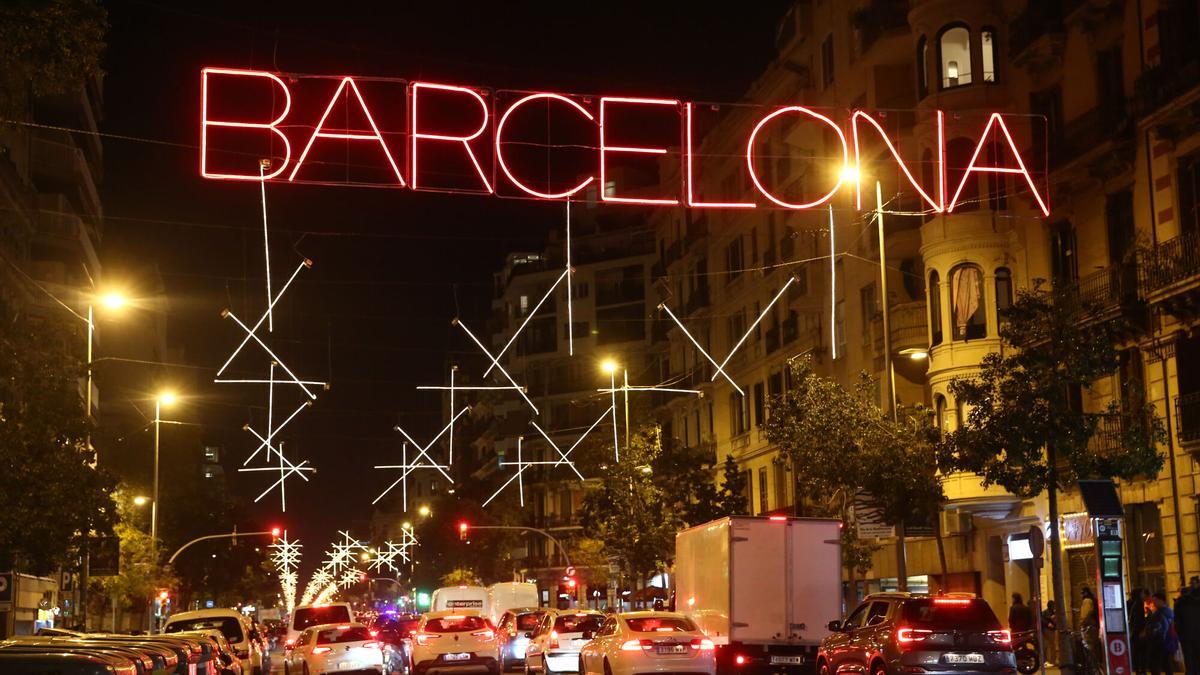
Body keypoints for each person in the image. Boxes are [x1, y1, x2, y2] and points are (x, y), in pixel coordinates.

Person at [1147, 591, 1177, 675]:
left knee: (1155, 665)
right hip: (1169, 640)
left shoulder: (1159, 613)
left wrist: (1148, 632)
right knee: (1167, 664)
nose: (1153, 602)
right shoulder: (1170, 611)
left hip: (1159, 641)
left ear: (1161, 600)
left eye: (1155, 600)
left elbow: (1156, 628)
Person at [1175, 582, 1200, 675]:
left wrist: (1179, 633)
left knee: (1188, 656)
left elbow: (1177, 621)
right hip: (1198, 634)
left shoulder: (1179, 603)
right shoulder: (1197, 602)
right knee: (1197, 655)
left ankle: (1190, 672)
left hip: (1185, 635)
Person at [1133, 588, 1151, 675]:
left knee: (1136, 652)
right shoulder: (1139, 604)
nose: (1145, 595)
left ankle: (1137, 670)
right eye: (1143, 593)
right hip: (1139, 631)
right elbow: (1139, 619)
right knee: (1143, 652)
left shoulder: (1132, 603)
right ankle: (1142, 670)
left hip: (1134, 631)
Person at [1042, 600, 1060, 667]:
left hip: (1051, 630)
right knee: (1050, 645)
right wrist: (1048, 623)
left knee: (1051, 645)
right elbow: (1043, 620)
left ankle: (1051, 660)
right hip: (1048, 630)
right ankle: (1049, 660)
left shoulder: (1053, 612)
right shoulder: (1046, 612)